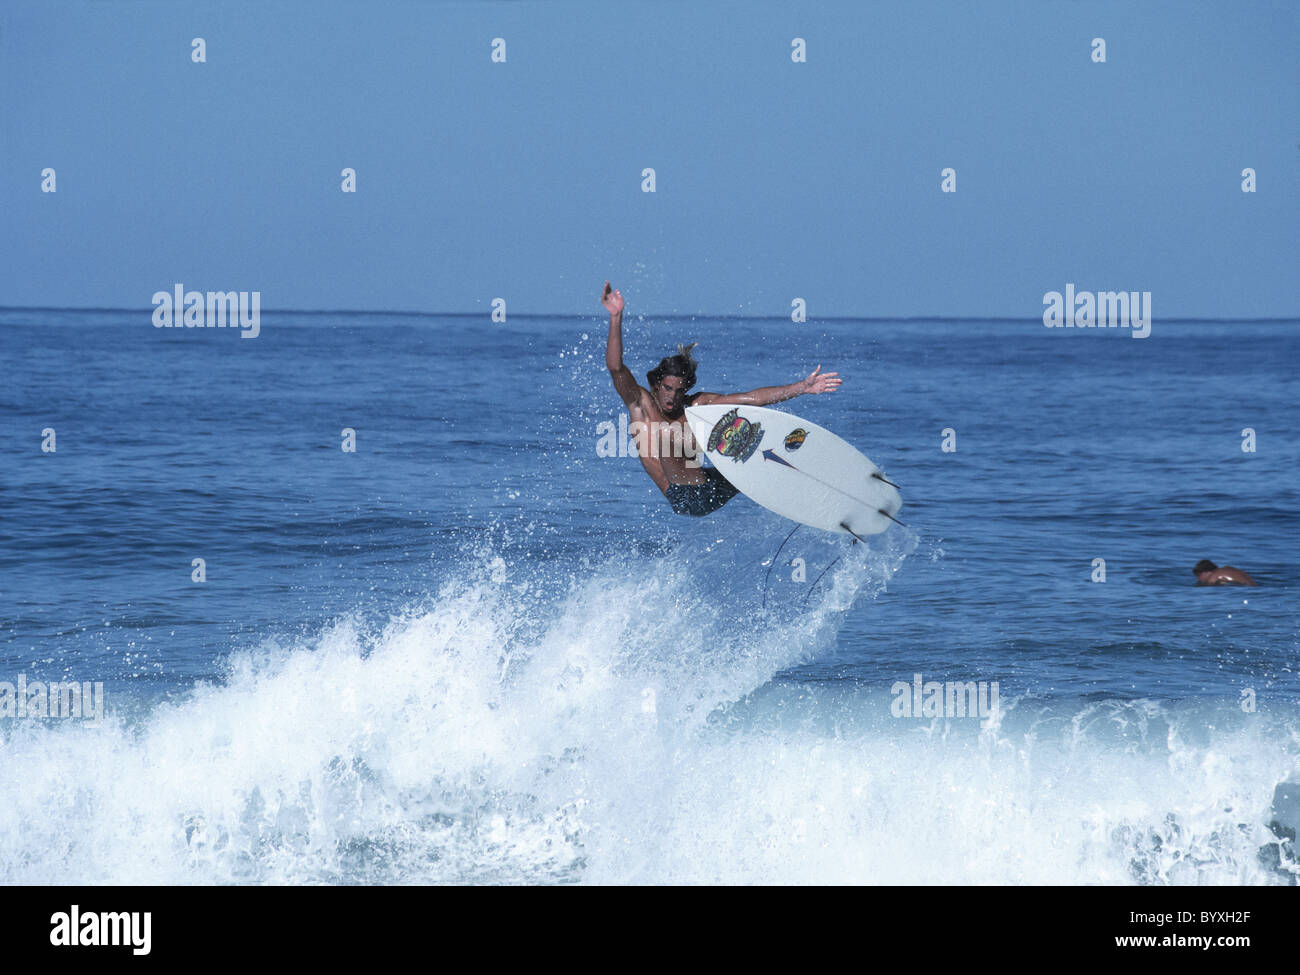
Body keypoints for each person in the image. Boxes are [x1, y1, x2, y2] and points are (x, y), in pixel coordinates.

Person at [602, 280, 841, 516]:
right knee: (666, 434)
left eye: (678, 391)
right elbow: (616, 367)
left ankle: (820, 492)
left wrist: (801, 387)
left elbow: (751, 397)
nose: (672, 397)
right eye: (666, 388)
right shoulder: (641, 404)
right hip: (684, 497)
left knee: (750, 442)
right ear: (656, 385)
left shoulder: (697, 404)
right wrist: (615, 318)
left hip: (711, 485)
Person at [1193, 559, 1257, 586]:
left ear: (1206, 572)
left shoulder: (1213, 577)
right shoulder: (1227, 568)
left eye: (1199, 575)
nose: (1198, 579)